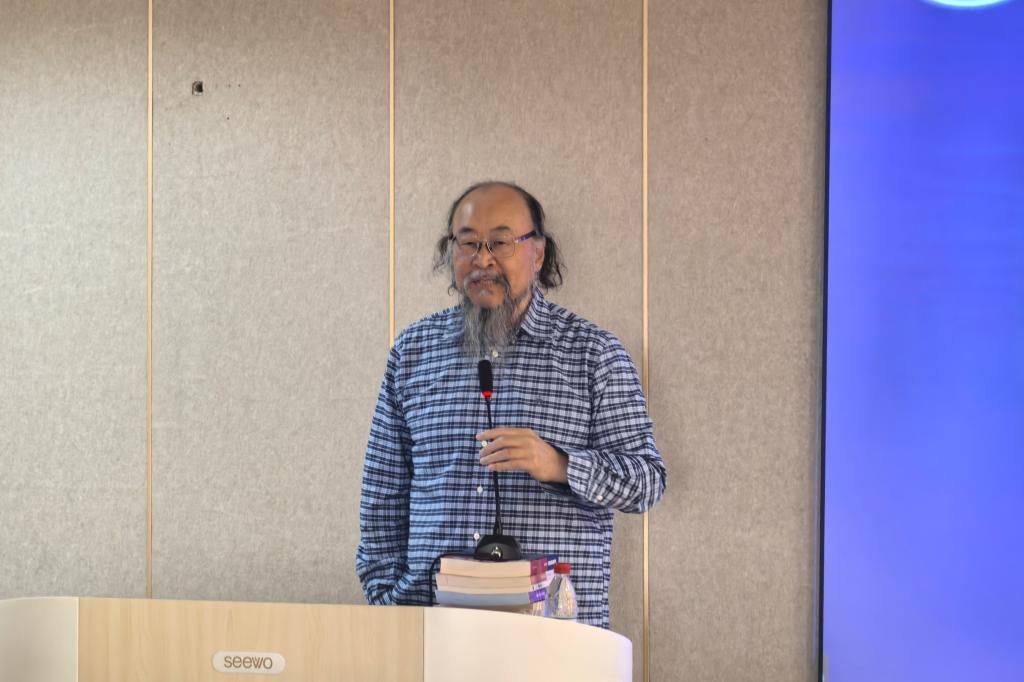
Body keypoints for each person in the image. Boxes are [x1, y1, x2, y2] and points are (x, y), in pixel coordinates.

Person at [356, 181, 666, 628]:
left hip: (553, 634)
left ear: (537, 253)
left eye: (500, 243)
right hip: (431, 628)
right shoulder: (413, 352)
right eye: (468, 243)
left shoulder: (593, 354)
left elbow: (647, 481)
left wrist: (558, 464)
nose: (483, 260)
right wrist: (388, 600)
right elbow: (382, 494)